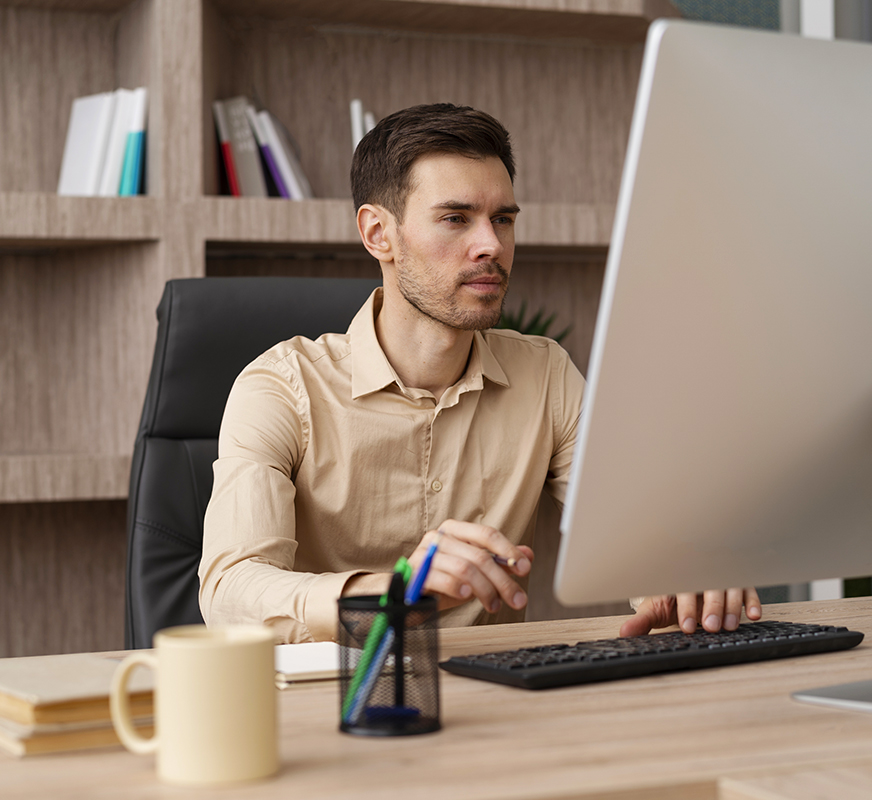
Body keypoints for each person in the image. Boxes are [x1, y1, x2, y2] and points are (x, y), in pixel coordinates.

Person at [198, 103, 761, 643]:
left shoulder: (546, 374)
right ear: (378, 234)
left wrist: (678, 577)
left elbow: (631, 532)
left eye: (503, 220)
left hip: (498, 703)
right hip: (326, 705)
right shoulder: (281, 387)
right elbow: (228, 591)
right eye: (455, 219)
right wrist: (392, 596)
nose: (491, 245)